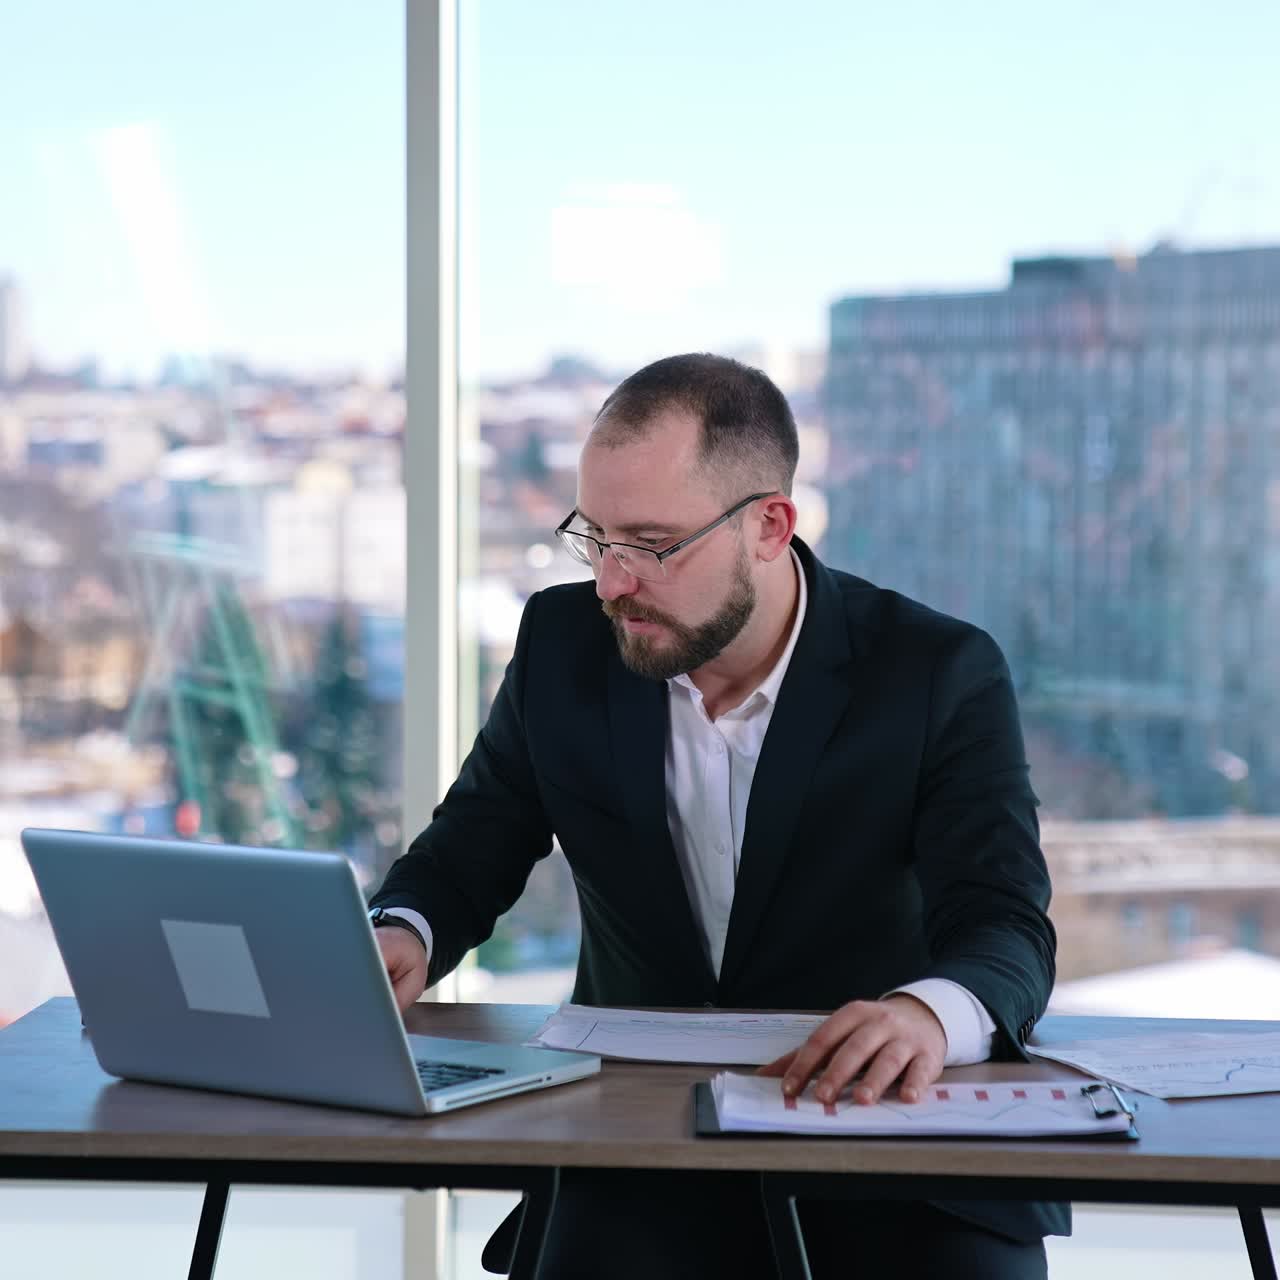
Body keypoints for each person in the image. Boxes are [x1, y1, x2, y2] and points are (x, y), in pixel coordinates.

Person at [369, 353, 1066, 1279]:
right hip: (633, 1147)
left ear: (769, 527)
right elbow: (472, 844)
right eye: (596, 538)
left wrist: (929, 1017)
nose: (613, 582)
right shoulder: (562, 644)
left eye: (652, 546)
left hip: (887, 1141)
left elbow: (1005, 922)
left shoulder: (936, 673)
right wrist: (405, 928)